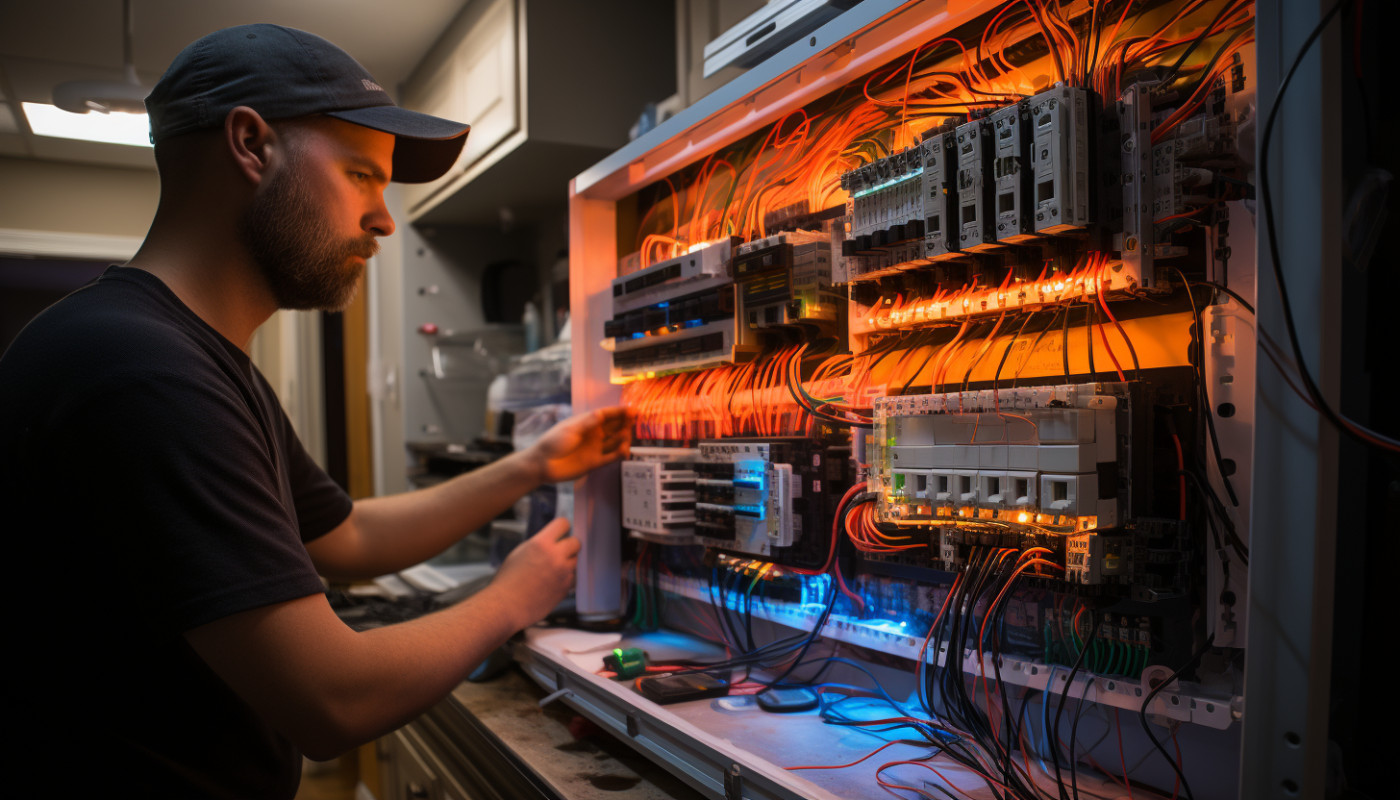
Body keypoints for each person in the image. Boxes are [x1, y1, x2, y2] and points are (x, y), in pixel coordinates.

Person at [0, 24, 632, 798]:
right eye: (361, 175)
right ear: (251, 145)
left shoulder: (186, 355)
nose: (385, 219)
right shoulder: (141, 371)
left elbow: (345, 537)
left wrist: (531, 465)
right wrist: (513, 596)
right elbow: (334, 699)